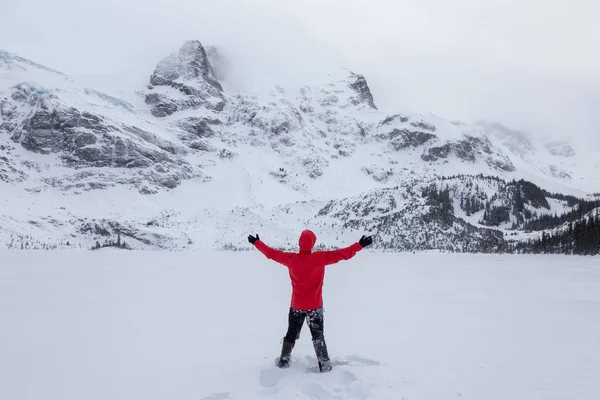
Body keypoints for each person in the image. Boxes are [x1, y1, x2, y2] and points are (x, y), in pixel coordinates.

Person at [248, 230, 373, 372]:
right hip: (315, 306)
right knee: (318, 336)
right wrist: (360, 245)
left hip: (296, 306)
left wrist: (257, 243)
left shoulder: (290, 259)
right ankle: (324, 365)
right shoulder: (320, 258)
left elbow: (271, 253)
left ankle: (284, 360)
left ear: (299, 243)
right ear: (312, 243)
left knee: (291, 334)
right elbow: (342, 254)